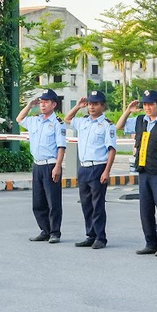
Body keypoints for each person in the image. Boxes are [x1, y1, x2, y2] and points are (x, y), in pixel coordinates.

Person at [119, 90, 157, 257]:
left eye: (150, 104)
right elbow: (119, 126)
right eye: (145, 104)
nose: (147, 107)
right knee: (145, 209)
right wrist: (128, 111)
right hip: (144, 172)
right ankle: (150, 243)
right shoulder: (140, 121)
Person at [63, 91, 117, 248]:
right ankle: (90, 235)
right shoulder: (83, 122)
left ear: (102, 105)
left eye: (95, 104)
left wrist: (106, 171)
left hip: (98, 167)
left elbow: (112, 150)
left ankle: (100, 237)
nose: (91, 107)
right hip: (84, 168)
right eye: (90, 104)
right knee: (86, 204)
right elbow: (67, 119)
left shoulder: (107, 125)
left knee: (97, 204)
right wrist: (78, 107)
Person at [18, 88, 68, 244]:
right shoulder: (35, 120)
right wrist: (29, 105)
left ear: (54, 104)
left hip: (50, 164)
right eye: (41, 102)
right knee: (38, 202)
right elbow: (19, 119)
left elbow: (61, 147)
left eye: (46, 102)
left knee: (53, 201)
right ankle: (44, 230)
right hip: (37, 165)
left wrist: (58, 166)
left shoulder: (57, 123)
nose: (43, 105)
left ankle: (55, 232)